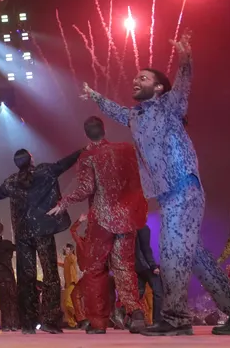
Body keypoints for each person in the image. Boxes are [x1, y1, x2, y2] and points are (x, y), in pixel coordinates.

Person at [82, 34, 230, 336]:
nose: (136, 80)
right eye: (135, 78)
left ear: (159, 87)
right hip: (166, 194)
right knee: (196, 258)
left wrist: (185, 60)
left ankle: (176, 320)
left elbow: (184, 84)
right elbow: (116, 111)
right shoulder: (135, 115)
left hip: (184, 187)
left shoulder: (169, 105)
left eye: (144, 78)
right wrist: (96, 97)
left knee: (172, 254)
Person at [50, 115, 148, 333]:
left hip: (103, 219)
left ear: (86, 134)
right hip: (128, 217)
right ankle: (135, 311)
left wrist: (64, 202)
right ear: (103, 129)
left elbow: (86, 188)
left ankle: (98, 322)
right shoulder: (126, 149)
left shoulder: (88, 156)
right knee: (124, 267)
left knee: (95, 270)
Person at [0, 146, 81, 334]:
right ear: (30, 159)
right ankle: (50, 320)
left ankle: (28, 323)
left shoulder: (11, 182)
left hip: (23, 235)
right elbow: (64, 164)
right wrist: (81, 150)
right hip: (42, 231)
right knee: (51, 274)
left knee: (25, 276)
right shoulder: (44, 171)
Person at [134, 224, 163, 327]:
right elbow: (146, 248)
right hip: (146, 265)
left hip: (136, 265)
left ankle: (133, 319)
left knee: (138, 293)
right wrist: (153, 265)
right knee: (158, 292)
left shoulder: (130, 228)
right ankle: (157, 321)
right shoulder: (143, 227)